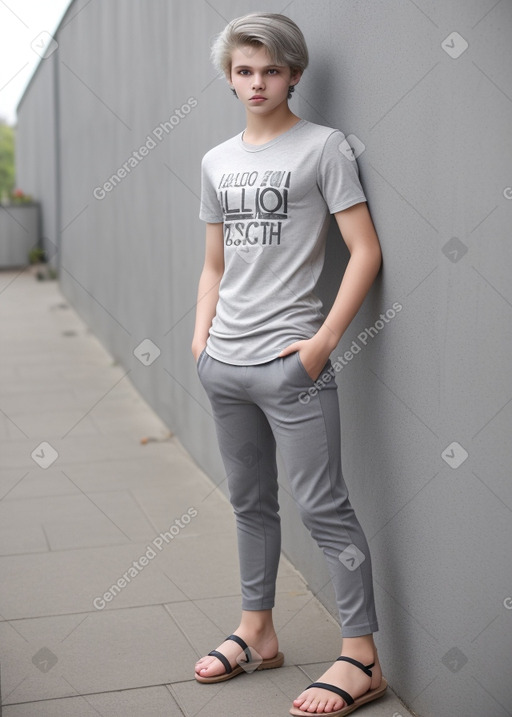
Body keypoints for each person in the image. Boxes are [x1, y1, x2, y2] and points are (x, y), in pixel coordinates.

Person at [191, 12, 387, 716]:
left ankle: (361, 656)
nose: (256, 82)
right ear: (230, 76)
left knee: (324, 506)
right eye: (244, 70)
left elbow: (364, 250)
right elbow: (215, 261)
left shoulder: (324, 148)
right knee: (250, 503)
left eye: (270, 69)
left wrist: (321, 342)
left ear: (294, 73)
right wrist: (200, 336)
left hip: (290, 365)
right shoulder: (216, 161)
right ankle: (258, 632)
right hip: (226, 364)